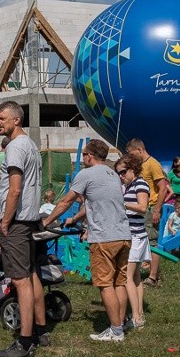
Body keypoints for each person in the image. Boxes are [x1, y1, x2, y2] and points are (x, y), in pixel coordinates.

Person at [44, 139, 132, 342]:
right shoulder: (112, 174)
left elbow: (67, 200)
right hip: (123, 235)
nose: (82, 158)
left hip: (104, 237)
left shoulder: (86, 174)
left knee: (104, 284)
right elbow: (94, 203)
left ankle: (115, 331)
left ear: (90, 155)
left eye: (84, 154)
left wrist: (47, 221)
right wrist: (75, 219)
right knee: (119, 282)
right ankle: (122, 322)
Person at [0, 101, 44, 357]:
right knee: (30, 275)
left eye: (2, 118)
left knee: (20, 279)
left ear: (16, 120)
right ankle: (36, 331)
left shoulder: (14, 147)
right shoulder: (31, 145)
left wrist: (4, 222)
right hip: (30, 219)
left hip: (17, 221)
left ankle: (24, 342)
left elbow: (15, 189)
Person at [125, 139, 168, 288]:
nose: (131, 157)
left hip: (150, 208)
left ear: (140, 150)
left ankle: (153, 278)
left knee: (152, 242)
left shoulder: (152, 164)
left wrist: (157, 209)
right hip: (141, 208)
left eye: (132, 154)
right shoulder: (140, 166)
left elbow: (163, 188)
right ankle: (147, 272)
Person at [114, 154, 150, 331]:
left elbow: (143, 208)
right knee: (135, 277)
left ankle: (135, 317)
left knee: (126, 277)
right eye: (118, 173)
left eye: (123, 171)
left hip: (135, 236)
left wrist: (124, 204)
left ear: (133, 168)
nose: (121, 175)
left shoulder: (140, 184)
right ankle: (139, 314)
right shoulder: (128, 186)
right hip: (134, 235)